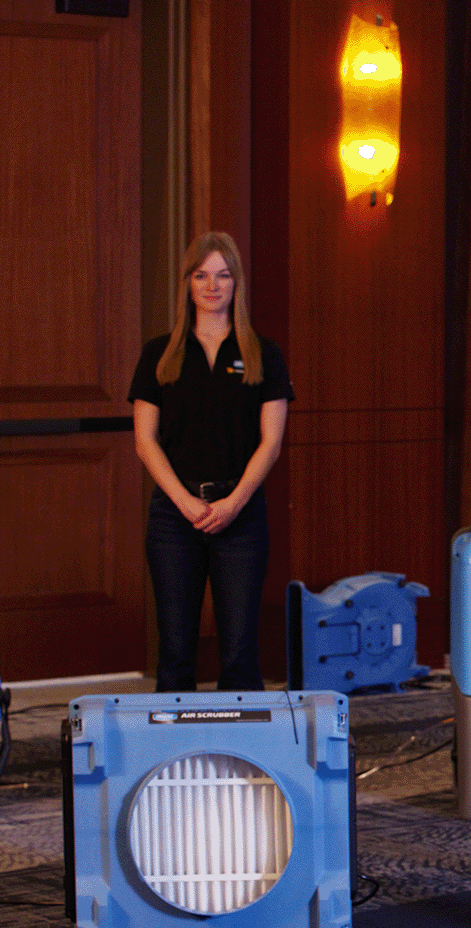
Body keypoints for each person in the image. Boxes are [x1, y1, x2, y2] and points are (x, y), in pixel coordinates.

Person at [129, 232, 293, 692]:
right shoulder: (159, 353)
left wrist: (233, 503)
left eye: (223, 275)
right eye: (201, 275)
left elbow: (271, 442)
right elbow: (145, 441)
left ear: (236, 282)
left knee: (240, 652)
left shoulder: (264, 353)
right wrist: (185, 504)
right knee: (176, 651)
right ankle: (172, 760)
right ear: (187, 282)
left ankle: (240, 760)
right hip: (174, 518)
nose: (212, 285)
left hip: (239, 516)